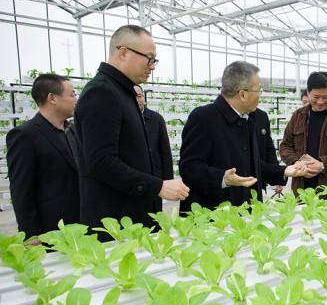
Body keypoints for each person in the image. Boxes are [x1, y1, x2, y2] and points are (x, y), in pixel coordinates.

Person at [74, 25, 189, 236]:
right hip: (116, 223)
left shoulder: (121, 92)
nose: (152, 67)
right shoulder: (101, 92)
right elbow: (101, 161)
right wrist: (156, 186)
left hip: (133, 216)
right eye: (149, 58)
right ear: (123, 52)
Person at [179, 61, 306, 211]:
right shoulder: (204, 117)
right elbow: (189, 168)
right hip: (214, 214)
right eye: (258, 90)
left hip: (249, 210)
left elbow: (252, 165)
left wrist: (284, 171)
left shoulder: (255, 118)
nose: (260, 95)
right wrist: (223, 178)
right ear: (242, 94)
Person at [6, 74, 80, 239]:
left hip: (80, 226)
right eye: (72, 94)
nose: (76, 100)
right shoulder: (25, 135)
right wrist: (31, 235)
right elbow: (21, 191)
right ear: (52, 98)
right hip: (49, 230)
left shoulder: (73, 131)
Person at [280, 71, 327, 194]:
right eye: (316, 97)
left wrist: (323, 165)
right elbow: (285, 146)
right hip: (301, 187)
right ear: (308, 93)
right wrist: (297, 163)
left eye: (325, 97)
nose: (320, 102)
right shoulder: (298, 116)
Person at [134, 85, 174, 209]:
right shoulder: (124, 118)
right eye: (132, 96)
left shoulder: (156, 119)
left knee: (155, 214)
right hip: (135, 180)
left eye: (139, 96)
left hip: (155, 179)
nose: (137, 100)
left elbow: (165, 152)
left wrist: (168, 181)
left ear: (143, 98)